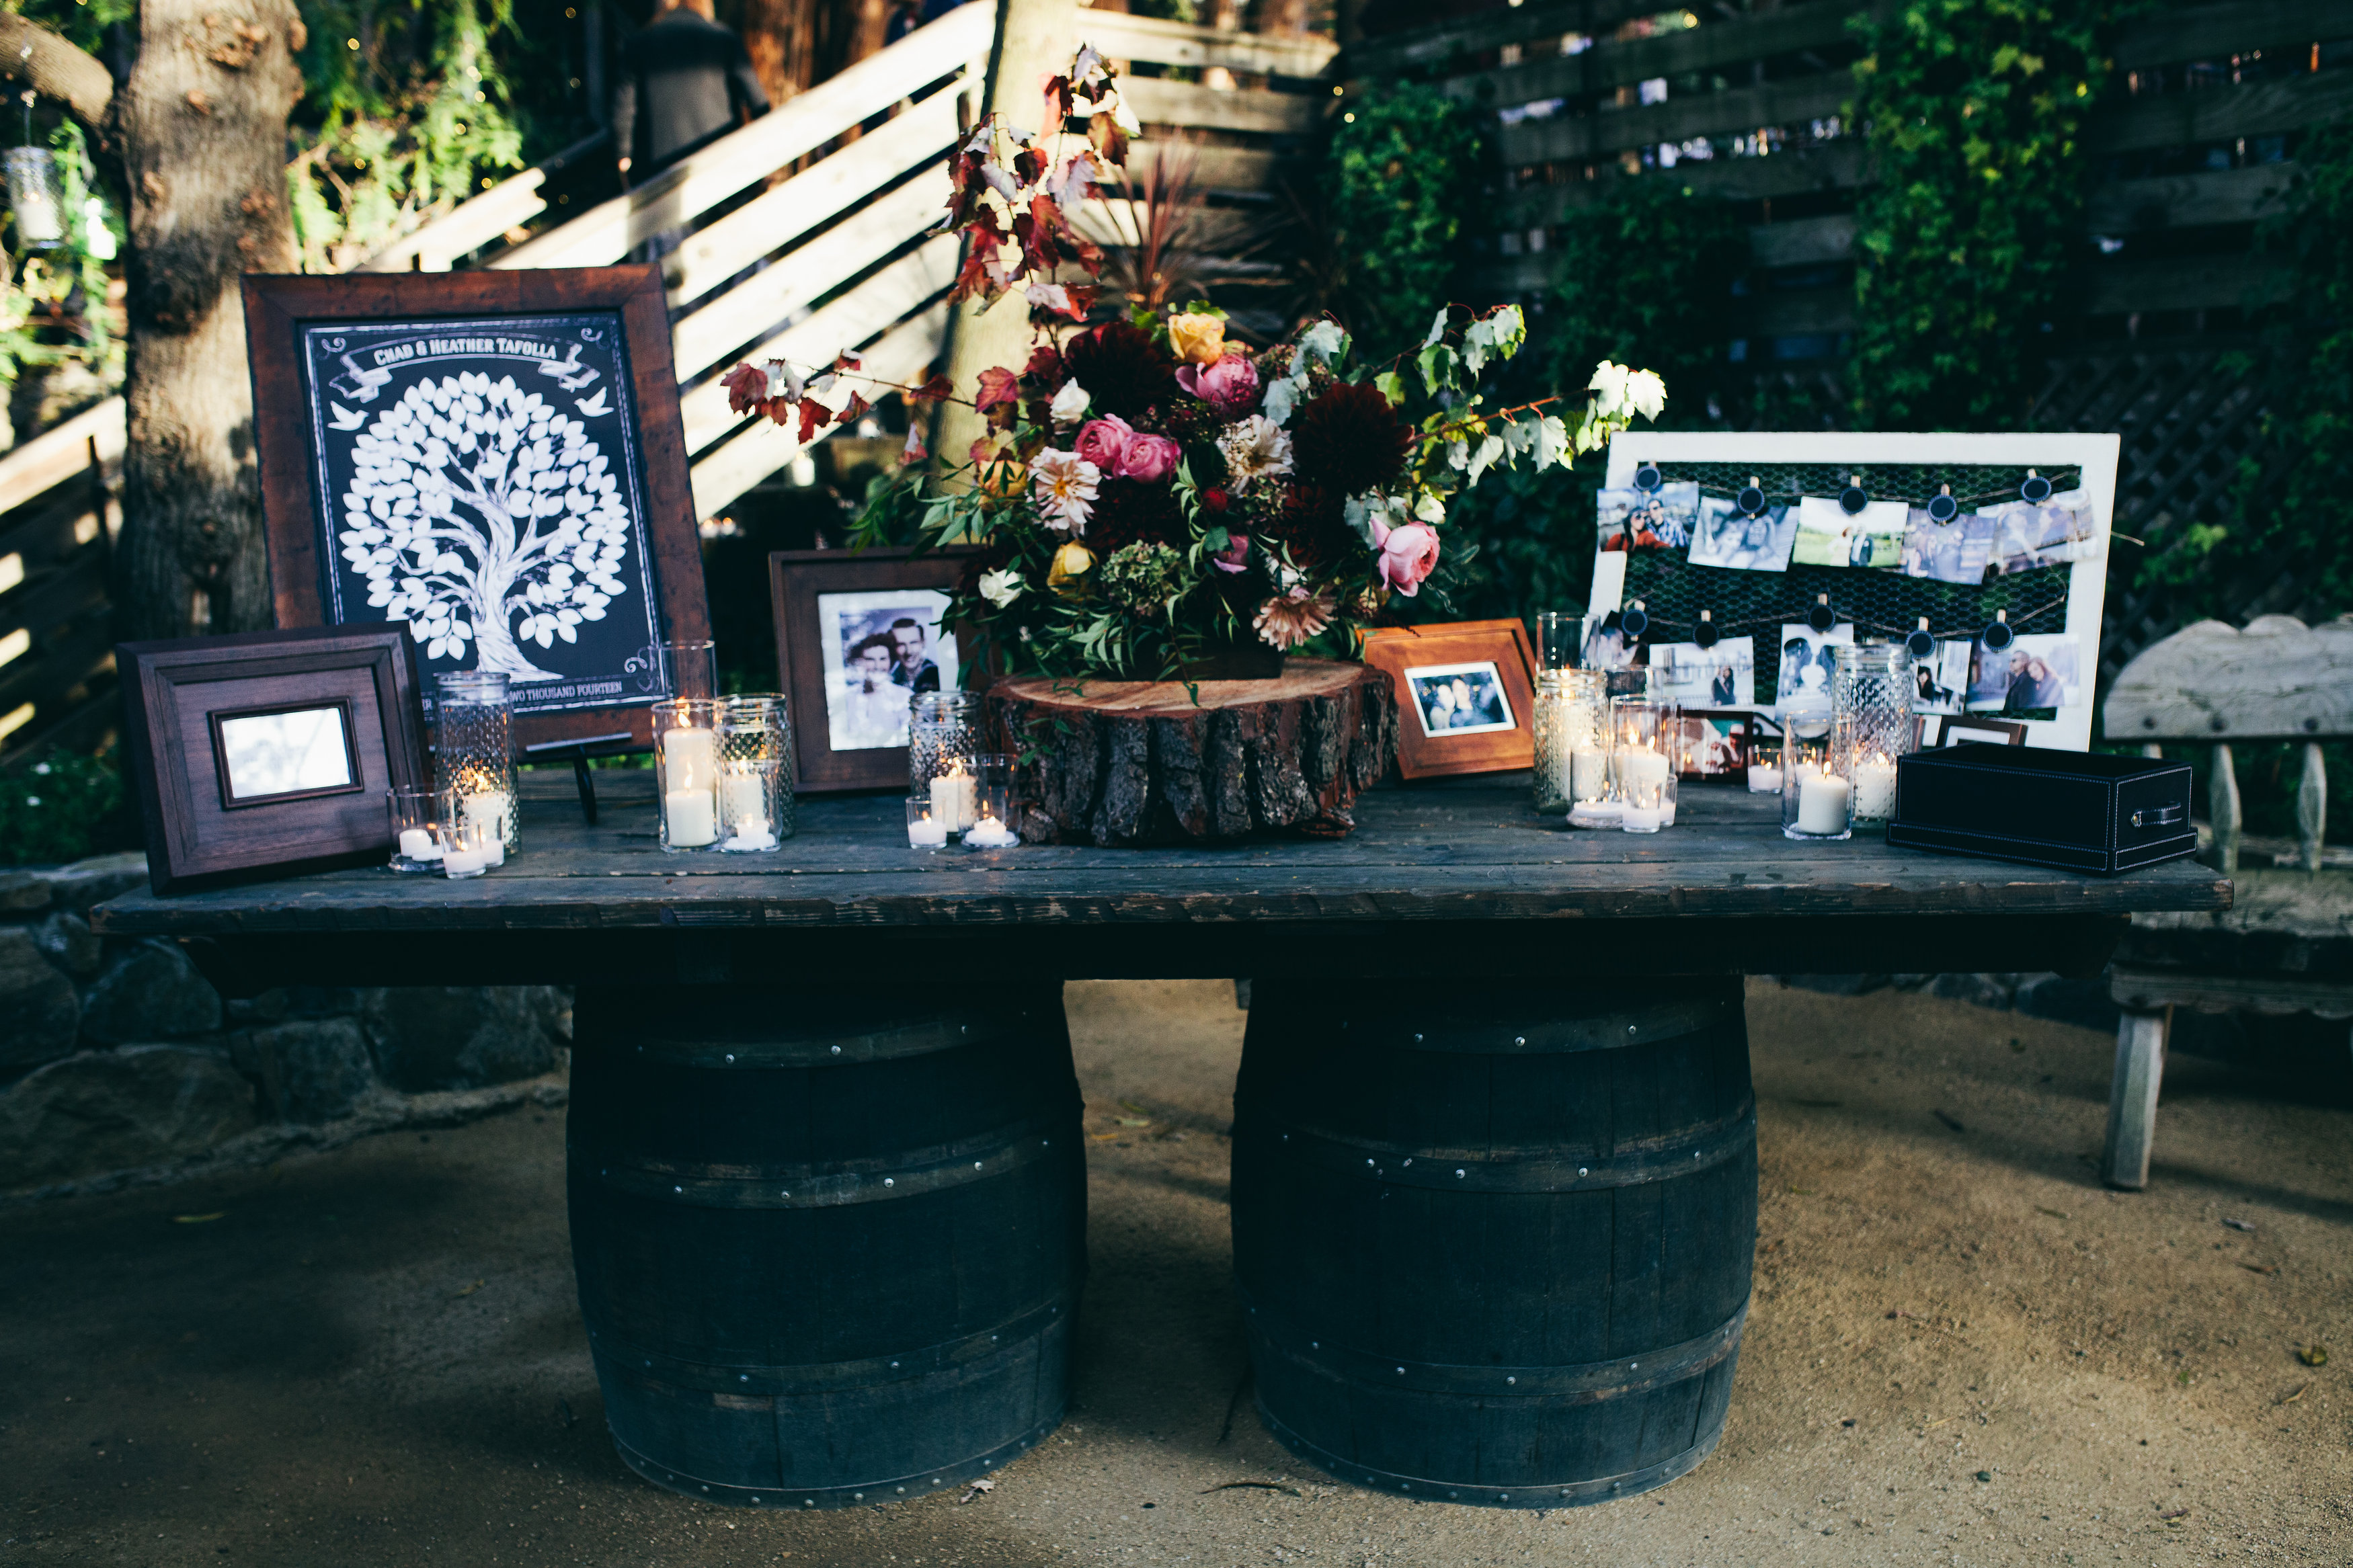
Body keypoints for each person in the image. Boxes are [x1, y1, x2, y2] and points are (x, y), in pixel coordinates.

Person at [611, 0, 770, 189]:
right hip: (722, 166)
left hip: (663, 176)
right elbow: (758, 103)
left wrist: (623, 157)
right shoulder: (724, 37)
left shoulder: (637, 45)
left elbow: (624, 111)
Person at [835, 634, 909, 749]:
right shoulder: (847, 697)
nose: (877, 666)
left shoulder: (904, 696)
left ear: (891, 661)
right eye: (870, 659)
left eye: (883, 659)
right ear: (860, 662)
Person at [889, 617, 941, 692]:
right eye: (901, 644)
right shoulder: (891, 679)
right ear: (893, 647)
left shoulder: (938, 674)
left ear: (923, 643)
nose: (909, 651)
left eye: (914, 643)